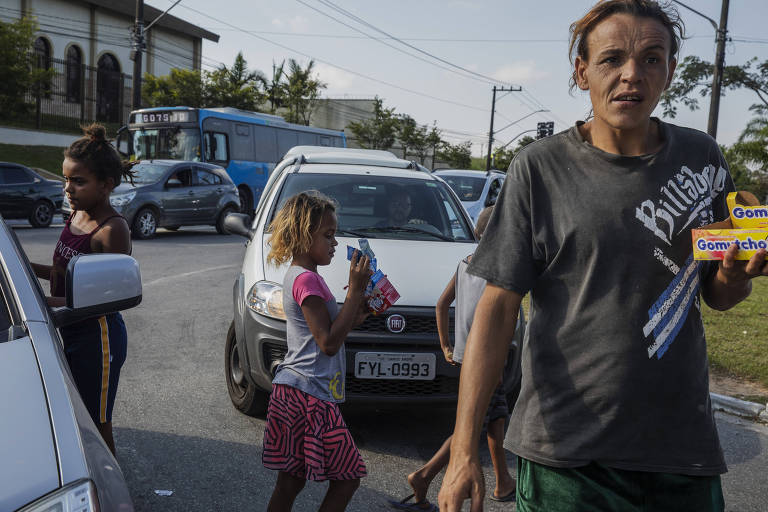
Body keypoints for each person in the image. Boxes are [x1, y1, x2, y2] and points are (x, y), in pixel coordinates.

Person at [438, 1, 768, 511]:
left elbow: (718, 294)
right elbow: (497, 308)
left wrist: (736, 272)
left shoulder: (703, 158)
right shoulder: (538, 169)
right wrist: (464, 452)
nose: (632, 74)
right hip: (566, 460)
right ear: (582, 70)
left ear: (670, 71)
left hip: (681, 453)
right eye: (612, 58)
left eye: (652, 59)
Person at [391, 206, 519, 512]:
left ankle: (502, 482)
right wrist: (496, 364)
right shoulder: (496, 271)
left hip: (464, 358)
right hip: (485, 363)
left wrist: (446, 346)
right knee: (469, 428)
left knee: (495, 418)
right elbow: (491, 321)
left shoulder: (465, 264)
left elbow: (441, 304)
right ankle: (424, 475)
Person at [262, 191, 372, 512]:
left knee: (291, 481)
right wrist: (354, 292)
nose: (335, 244)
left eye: (334, 235)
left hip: (301, 390)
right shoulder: (306, 280)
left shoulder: (307, 278)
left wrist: (357, 309)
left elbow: (329, 331)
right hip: (308, 395)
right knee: (347, 477)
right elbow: (327, 343)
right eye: (328, 235)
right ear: (301, 234)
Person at [31, 123, 134, 455]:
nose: (68, 188)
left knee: (96, 421)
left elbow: (109, 295)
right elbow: (63, 273)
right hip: (69, 330)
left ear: (106, 185)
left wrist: (45, 302)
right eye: (65, 179)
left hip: (98, 340)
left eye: (78, 181)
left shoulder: (112, 230)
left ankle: (111, 492)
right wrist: (22, 269)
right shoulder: (76, 214)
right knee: (71, 415)